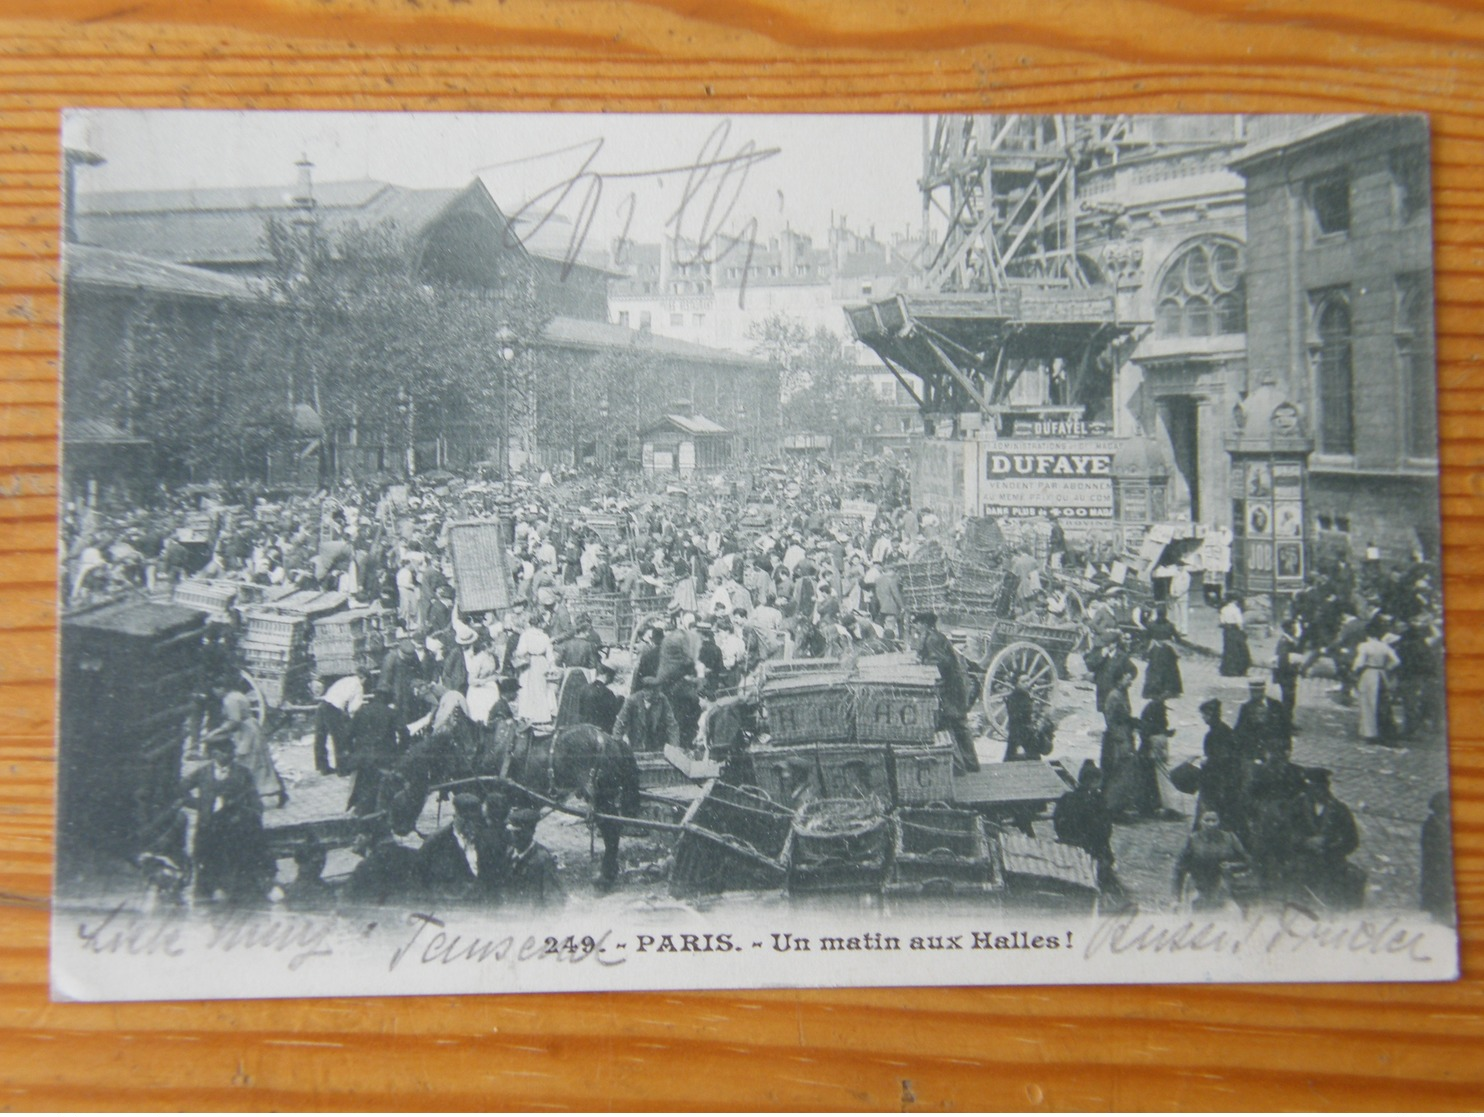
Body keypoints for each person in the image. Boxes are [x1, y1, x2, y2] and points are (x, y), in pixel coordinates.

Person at [180, 736, 272, 903]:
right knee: (205, 865)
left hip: (232, 829)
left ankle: (232, 899)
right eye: (225, 752)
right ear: (215, 753)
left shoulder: (242, 773)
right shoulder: (203, 773)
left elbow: (255, 801)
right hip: (207, 828)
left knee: (232, 868)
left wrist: (248, 816)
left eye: (231, 751)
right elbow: (180, 790)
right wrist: (201, 805)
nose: (230, 755)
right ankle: (205, 898)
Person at [912, 610, 979, 774]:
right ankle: (970, 763)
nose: (915, 627)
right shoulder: (935, 637)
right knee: (959, 725)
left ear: (924, 624)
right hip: (954, 687)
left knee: (951, 725)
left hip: (950, 690)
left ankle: (960, 767)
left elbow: (941, 662)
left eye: (917, 624)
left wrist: (924, 665)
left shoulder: (932, 639)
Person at [204, 689, 286, 809]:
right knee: (262, 764)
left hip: (245, 733)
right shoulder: (237, 694)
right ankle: (278, 792)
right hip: (252, 728)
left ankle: (246, 797)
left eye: (216, 690)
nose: (216, 693)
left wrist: (218, 731)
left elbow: (234, 721)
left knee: (246, 763)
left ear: (220, 688)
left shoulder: (229, 700)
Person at [417, 792, 504, 903]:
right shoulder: (436, 842)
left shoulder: (487, 841)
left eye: (474, 820)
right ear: (455, 816)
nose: (470, 824)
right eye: (466, 819)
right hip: (448, 904)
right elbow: (421, 877)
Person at [345, 684, 409, 816]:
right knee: (383, 789)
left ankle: (358, 812)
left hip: (362, 759)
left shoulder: (361, 711)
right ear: (388, 698)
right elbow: (404, 734)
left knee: (361, 789)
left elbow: (348, 735)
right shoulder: (391, 713)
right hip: (384, 759)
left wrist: (354, 752)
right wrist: (399, 752)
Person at [1173, 809, 1250, 912]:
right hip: (1198, 885)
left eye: (1214, 820)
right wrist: (1177, 898)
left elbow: (1247, 861)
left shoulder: (1229, 838)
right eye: (1207, 820)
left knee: (1232, 912)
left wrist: (1232, 865)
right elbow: (1179, 868)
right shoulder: (1193, 840)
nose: (1210, 824)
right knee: (1195, 912)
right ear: (1201, 822)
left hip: (1221, 886)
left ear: (1219, 822)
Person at [502, 807, 566, 908]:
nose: (514, 837)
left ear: (531, 832)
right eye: (512, 832)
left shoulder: (541, 858)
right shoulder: (510, 853)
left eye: (519, 833)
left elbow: (553, 897)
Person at [1353, 622, 1401, 743]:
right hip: (1381, 674)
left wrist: (1355, 670)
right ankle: (1380, 731)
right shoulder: (1384, 646)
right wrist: (1387, 668)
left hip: (1369, 674)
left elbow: (1359, 663)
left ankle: (1369, 733)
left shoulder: (1364, 646)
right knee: (1380, 703)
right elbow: (1396, 661)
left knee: (1367, 703)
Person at [311, 673, 363, 776]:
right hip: (333, 709)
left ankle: (323, 767)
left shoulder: (345, 679)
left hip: (323, 704)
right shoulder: (359, 686)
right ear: (364, 678)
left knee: (320, 737)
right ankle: (342, 770)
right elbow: (354, 708)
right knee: (339, 739)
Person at [612, 675, 679, 754]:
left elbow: (672, 724)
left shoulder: (662, 700)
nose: (656, 696)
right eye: (653, 693)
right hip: (635, 744)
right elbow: (620, 723)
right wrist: (619, 745)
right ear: (645, 691)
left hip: (655, 745)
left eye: (657, 692)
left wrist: (674, 747)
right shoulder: (632, 701)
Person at [1421, 791, 1456, 925]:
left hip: (1441, 868)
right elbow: (1431, 850)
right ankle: (1441, 919)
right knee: (1439, 895)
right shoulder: (1432, 825)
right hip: (1438, 868)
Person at [1142, 606, 1183, 700]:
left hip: (1155, 650)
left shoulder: (1151, 625)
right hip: (1167, 650)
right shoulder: (1170, 625)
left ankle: (1153, 690)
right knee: (1171, 669)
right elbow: (1178, 639)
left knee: (1153, 669)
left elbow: (1146, 637)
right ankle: (1169, 690)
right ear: (1166, 614)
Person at [1272, 618, 1303, 731]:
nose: (1295, 629)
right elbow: (1283, 661)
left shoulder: (1288, 640)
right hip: (1286, 675)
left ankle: (1288, 722)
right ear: (1288, 628)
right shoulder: (1285, 642)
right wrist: (1293, 670)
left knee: (1290, 700)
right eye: (1293, 627)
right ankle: (1286, 725)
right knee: (1288, 700)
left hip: (1287, 675)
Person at [578, 661, 624, 734]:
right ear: (608, 675)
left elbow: (580, 711)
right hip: (600, 732)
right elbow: (612, 715)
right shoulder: (607, 693)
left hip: (583, 729)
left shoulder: (584, 688)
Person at [1003, 676, 1037, 762]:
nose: (1027, 684)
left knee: (1010, 753)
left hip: (1016, 730)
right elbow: (1026, 713)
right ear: (1016, 684)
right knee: (1033, 755)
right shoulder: (1022, 696)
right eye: (1023, 682)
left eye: (1028, 681)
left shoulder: (1016, 695)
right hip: (1022, 730)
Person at [1219, 595, 1252, 677]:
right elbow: (1239, 622)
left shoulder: (1224, 609)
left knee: (1229, 650)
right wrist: (1242, 631)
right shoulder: (1236, 610)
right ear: (1234, 601)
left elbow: (1222, 621)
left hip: (1227, 631)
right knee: (1240, 650)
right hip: (1235, 630)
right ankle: (1240, 670)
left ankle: (1228, 670)